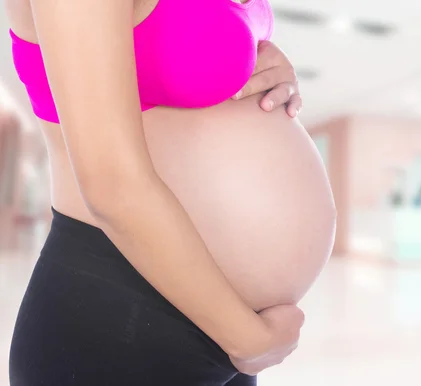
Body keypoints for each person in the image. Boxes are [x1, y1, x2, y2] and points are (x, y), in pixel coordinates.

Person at [6, 0, 337, 385]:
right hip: (119, 316)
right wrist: (248, 338)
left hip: (225, 329)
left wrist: (263, 61)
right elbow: (110, 182)